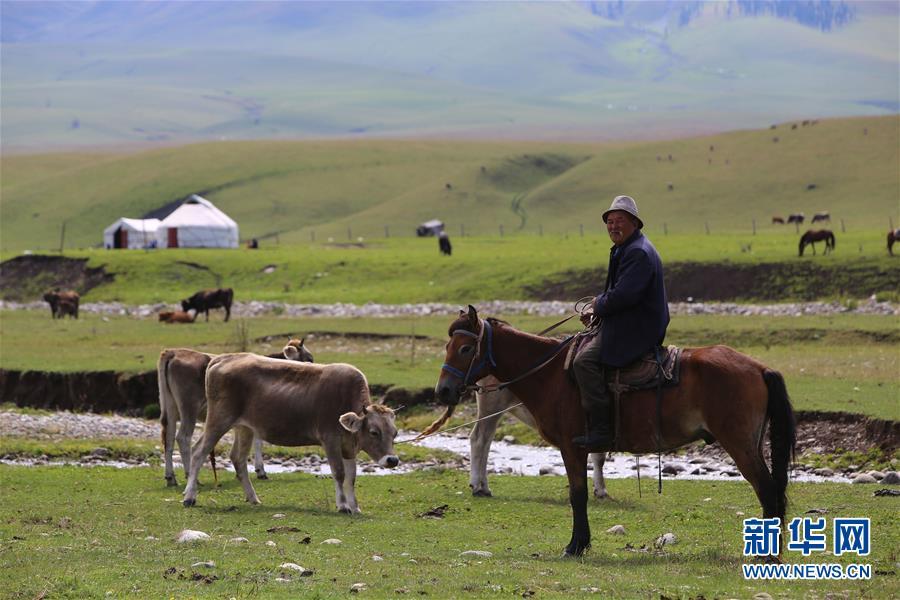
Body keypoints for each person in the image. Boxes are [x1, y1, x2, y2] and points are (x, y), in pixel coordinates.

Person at [572, 195, 669, 450]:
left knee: (584, 361)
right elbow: (619, 293)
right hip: (631, 319)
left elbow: (624, 295)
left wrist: (597, 305)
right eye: (610, 221)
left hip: (638, 327)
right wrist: (599, 310)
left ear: (634, 223)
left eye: (619, 220)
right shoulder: (627, 248)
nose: (613, 226)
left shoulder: (637, 252)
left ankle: (602, 430)